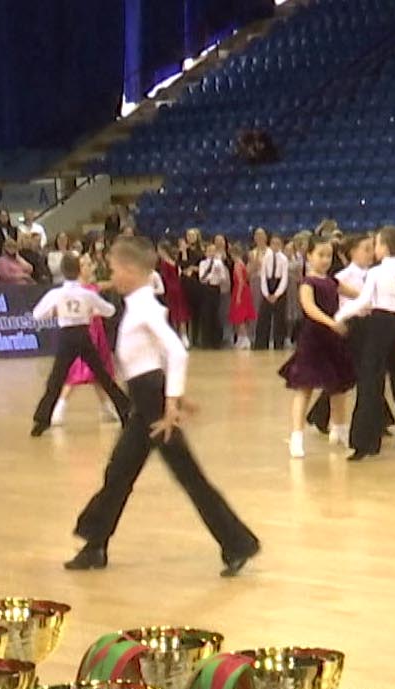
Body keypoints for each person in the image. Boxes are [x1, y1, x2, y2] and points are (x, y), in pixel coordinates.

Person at [65, 235, 260, 576]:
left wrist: (170, 404)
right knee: (119, 472)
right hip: (146, 402)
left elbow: (177, 351)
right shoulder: (140, 305)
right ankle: (95, 545)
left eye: (113, 268)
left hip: (154, 408)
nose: (111, 274)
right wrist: (175, 395)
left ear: (129, 270)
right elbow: (152, 360)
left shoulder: (145, 308)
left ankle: (237, 544)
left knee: (187, 476)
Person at [335, 226, 395, 460]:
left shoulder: (375, 272)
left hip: (378, 325)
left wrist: (340, 316)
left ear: (383, 247)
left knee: (370, 383)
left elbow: (364, 300)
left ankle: (365, 443)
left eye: (376, 244)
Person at [29, 252, 127, 435]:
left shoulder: (56, 294)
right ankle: (125, 411)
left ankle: (42, 420)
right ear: (78, 270)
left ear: (63, 271)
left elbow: (37, 315)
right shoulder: (86, 294)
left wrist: (55, 313)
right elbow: (110, 310)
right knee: (103, 376)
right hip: (83, 335)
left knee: (56, 380)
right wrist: (91, 310)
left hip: (66, 337)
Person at [279, 237, 356, 456]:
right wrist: (332, 322)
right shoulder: (307, 283)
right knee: (305, 388)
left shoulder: (333, 281)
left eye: (328, 256)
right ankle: (296, 435)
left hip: (333, 339)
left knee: (338, 387)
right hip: (313, 339)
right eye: (320, 255)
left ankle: (339, 429)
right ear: (309, 256)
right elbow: (309, 308)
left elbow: (357, 295)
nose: (325, 260)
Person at [254, 232, 291, 350]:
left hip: (279, 287)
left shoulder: (284, 259)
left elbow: (284, 278)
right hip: (268, 286)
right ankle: (261, 344)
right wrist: (266, 294)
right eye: (273, 243)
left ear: (280, 245)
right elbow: (263, 277)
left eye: (277, 243)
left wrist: (276, 295)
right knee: (264, 317)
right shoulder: (266, 258)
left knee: (280, 318)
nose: (275, 246)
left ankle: (278, 343)